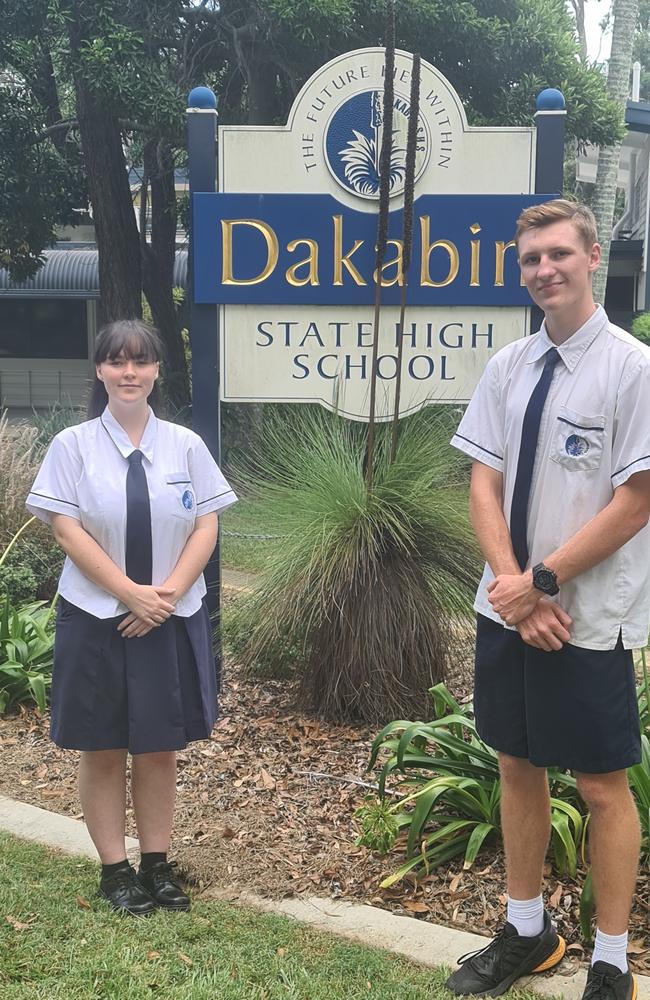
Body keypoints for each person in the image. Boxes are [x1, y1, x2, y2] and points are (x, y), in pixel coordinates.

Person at [446, 199, 650, 1000]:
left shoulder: (631, 369)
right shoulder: (508, 367)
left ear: (593, 257)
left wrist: (542, 584)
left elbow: (636, 500)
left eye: (559, 254)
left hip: (587, 618)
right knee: (516, 763)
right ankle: (527, 931)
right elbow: (483, 481)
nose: (544, 270)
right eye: (531, 259)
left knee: (602, 786)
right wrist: (514, 590)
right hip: (511, 609)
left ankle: (608, 957)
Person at [26, 319, 237, 916]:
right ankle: (115, 871)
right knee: (103, 747)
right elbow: (67, 529)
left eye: (140, 362)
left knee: (159, 746)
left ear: (155, 372)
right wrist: (130, 593)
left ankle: (158, 865)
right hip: (98, 618)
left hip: (169, 615)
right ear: (99, 371)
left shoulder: (184, 445)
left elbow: (207, 525)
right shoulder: (72, 446)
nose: (128, 373)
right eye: (117, 362)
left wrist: (164, 596)